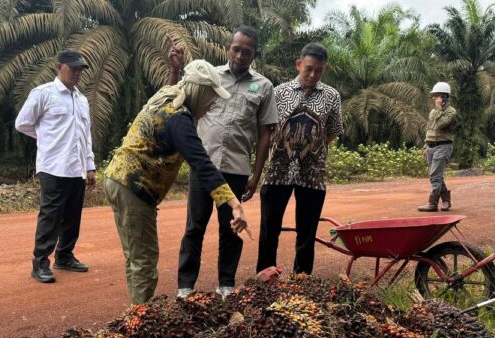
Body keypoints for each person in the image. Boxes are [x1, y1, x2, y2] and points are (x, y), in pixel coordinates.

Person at [104, 60, 250, 305]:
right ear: (199, 92)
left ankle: (135, 313)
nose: (212, 103)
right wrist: (234, 204)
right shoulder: (179, 119)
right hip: (134, 187)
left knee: (135, 256)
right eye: (211, 96)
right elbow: (202, 163)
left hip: (118, 179)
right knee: (145, 260)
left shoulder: (168, 94)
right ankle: (140, 322)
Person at [168, 27, 277, 300]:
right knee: (195, 227)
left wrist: (256, 174)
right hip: (204, 168)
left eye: (246, 51)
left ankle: (226, 285)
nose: (239, 55)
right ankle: (185, 286)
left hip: (236, 169)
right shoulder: (211, 76)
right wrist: (175, 69)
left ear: (255, 54)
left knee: (231, 230)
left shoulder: (263, 87)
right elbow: (175, 99)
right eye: (236, 49)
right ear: (229, 48)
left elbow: (265, 133)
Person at [256, 42, 344, 275]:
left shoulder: (331, 96)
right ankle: (265, 276)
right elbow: (267, 128)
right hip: (278, 170)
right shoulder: (278, 92)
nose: (313, 74)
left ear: (325, 69)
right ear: (298, 65)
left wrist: (309, 148)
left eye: (319, 70)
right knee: (269, 227)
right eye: (308, 68)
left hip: (312, 174)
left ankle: (302, 280)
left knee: (307, 231)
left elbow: (333, 132)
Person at [15, 50, 96, 283]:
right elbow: (23, 124)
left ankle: (65, 255)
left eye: (81, 69)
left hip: (77, 167)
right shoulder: (43, 94)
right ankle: (40, 262)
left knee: (73, 215)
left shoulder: (82, 100)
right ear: (59, 67)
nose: (78, 73)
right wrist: (46, 138)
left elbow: (85, 136)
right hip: (53, 166)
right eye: (74, 68)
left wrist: (89, 166)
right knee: (51, 215)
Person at [418, 81, 456, 212]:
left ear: (444, 97)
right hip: (431, 147)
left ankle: (432, 203)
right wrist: (425, 145)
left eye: (437, 95)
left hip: (443, 146)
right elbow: (430, 129)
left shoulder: (451, 112)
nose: (434, 98)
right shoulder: (433, 112)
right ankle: (446, 200)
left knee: (434, 175)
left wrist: (439, 109)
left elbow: (441, 125)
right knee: (437, 175)